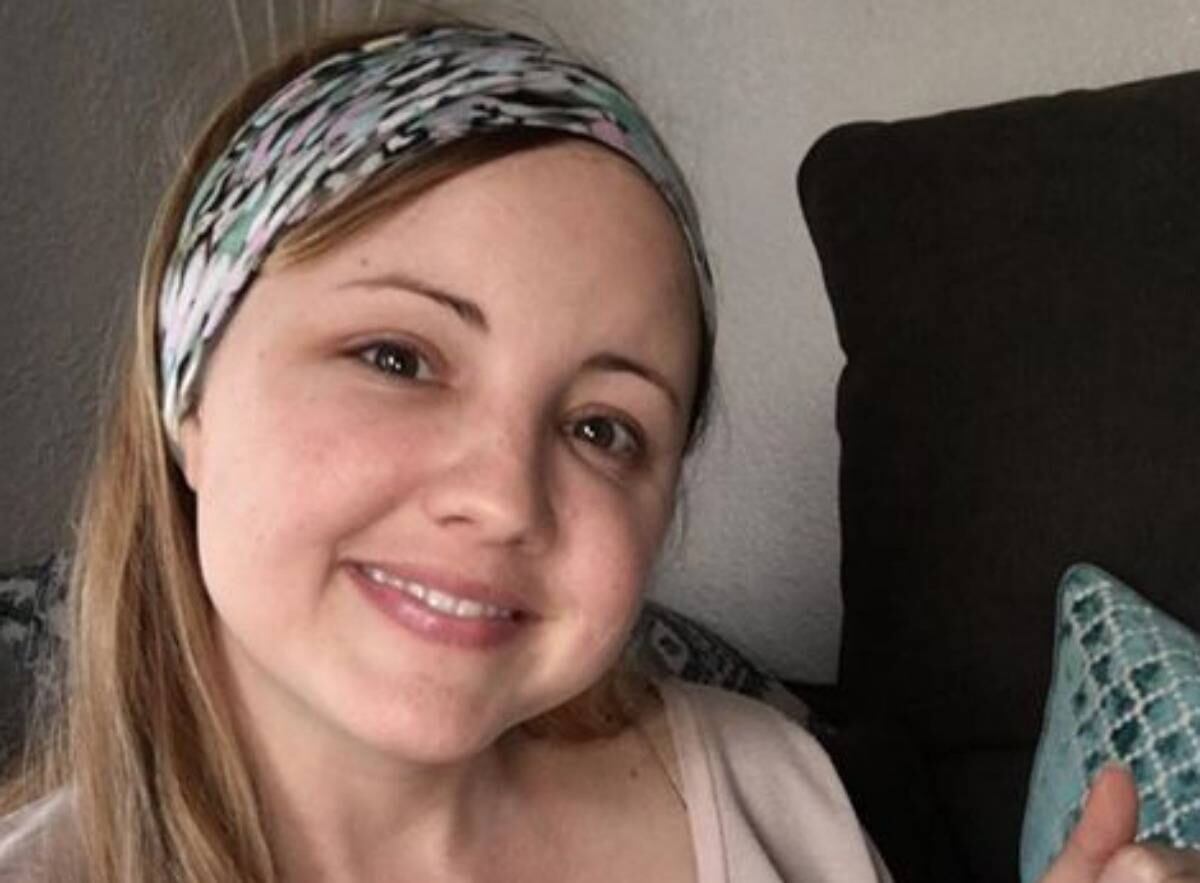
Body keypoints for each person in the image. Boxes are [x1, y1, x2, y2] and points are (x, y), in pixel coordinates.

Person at [0, 12, 1193, 883]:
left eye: (600, 427)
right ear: (188, 390)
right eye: (398, 357)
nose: (503, 497)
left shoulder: (770, 792)